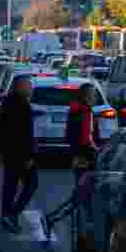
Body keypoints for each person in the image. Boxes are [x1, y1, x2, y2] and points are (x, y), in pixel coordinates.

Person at [43, 84, 100, 234]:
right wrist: (97, 152)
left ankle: (57, 219)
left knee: (80, 193)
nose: (95, 98)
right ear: (87, 96)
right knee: (83, 195)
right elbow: (87, 138)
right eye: (93, 94)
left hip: (76, 156)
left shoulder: (74, 110)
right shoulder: (86, 111)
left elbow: (70, 135)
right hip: (86, 158)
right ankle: (55, 219)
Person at [0, 76, 37, 234]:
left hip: (9, 152)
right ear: (19, 87)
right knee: (32, 183)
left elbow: (0, 129)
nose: (30, 89)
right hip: (20, 154)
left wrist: (1, 150)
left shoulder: (7, 103)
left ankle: (6, 215)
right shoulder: (21, 105)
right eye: (28, 86)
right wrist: (29, 156)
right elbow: (23, 134)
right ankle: (12, 214)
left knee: (10, 186)